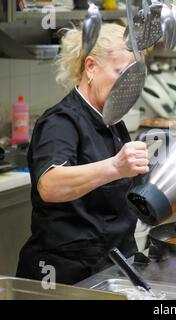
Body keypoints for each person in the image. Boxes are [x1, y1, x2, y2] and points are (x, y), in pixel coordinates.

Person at [16, 23, 152, 285]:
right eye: (122, 73)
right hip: (64, 277)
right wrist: (115, 166)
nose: (130, 85)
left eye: (135, 77)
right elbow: (50, 185)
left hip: (112, 268)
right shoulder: (61, 122)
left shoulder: (111, 119)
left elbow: (121, 188)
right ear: (90, 67)